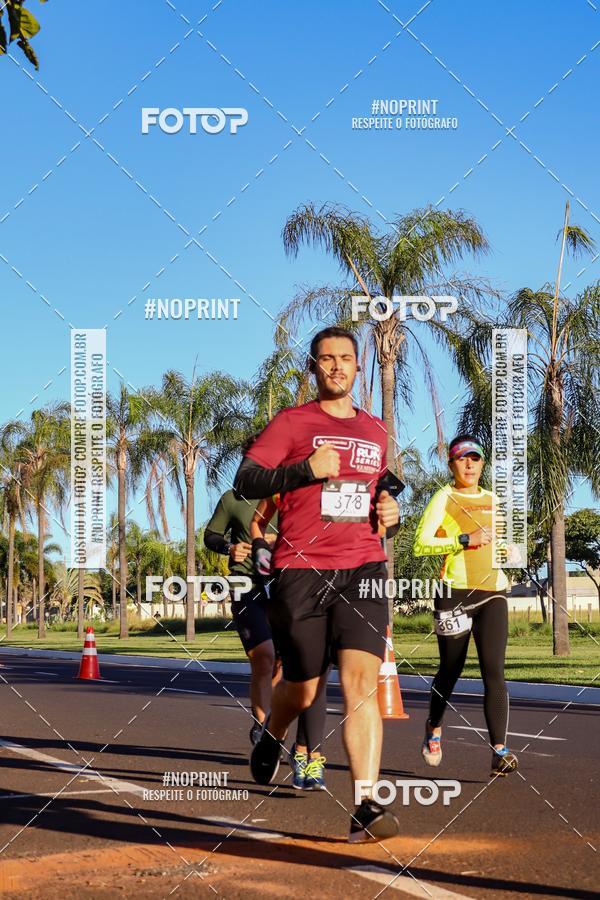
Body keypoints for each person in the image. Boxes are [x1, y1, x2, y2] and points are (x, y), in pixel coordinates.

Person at [234, 326, 402, 843]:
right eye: (326, 358)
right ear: (313, 367)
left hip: (364, 568)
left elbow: (380, 496)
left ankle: (365, 805)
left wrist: (391, 514)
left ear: (358, 366)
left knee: (360, 685)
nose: (336, 366)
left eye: (345, 358)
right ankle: (272, 733)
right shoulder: (291, 422)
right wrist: (304, 469)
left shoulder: (375, 430)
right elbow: (246, 480)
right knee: (304, 687)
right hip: (301, 571)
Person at [204, 484, 328, 790]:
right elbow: (211, 535)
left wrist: (281, 541)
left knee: (287, 663)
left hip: (287, 581)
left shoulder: (291, 491)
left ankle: (281, 732)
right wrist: (229, 548)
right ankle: (263, 729)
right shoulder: (233, 498)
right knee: (264, 656)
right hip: (246, 584)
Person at [413, 434, 518, 777]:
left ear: (482, 463)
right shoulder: (443, 497)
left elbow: (505, 544)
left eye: (475, 458)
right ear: (451, 464)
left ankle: (499, 751)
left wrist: (510, 555)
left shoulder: (495, 499)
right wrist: (464, 539)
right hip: (454, 593)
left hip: (493, 592)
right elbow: (420, 544)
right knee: (450, 669)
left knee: (494, 670)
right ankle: (433, 725)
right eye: (462, 458)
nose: (469, 464)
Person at [251, 496, 328, 790]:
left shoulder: (347, 475)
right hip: (293, 582)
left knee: (320, 671)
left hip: (334, 579)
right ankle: (275, 731)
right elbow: (257, 522)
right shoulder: (284, 479)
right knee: (302, 674)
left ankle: (308, 755)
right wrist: (261, 547)